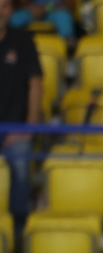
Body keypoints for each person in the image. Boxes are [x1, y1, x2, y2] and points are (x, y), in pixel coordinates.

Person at [0, 0, 42, 239]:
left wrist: (29, 127)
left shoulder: (23, 40)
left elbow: (35, 82)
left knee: (20, 165)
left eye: (4, 6)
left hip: (15, 128)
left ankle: (18, 231)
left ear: (11, 11)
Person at [8, 0, 74, 41]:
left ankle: (68, 47)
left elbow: (70, 5)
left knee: (63, 16)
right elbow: (22, 3)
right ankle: (9, 43)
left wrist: (47, 8)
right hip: (33, 11)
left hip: (55, 12)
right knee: (16, 17)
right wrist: (39, 9)